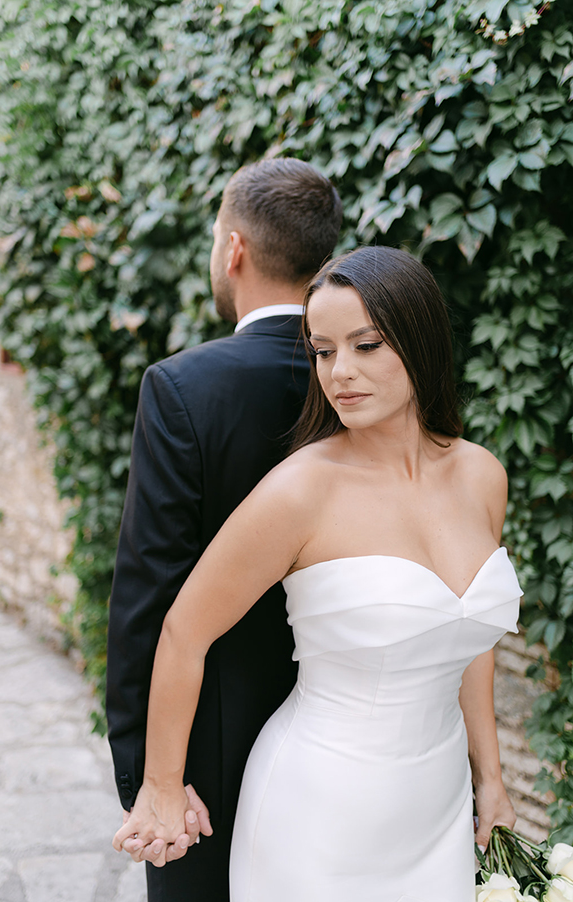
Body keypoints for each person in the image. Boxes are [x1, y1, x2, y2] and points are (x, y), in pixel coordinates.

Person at [113, 245, 521, 902]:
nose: (340, 373)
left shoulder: (483, 475)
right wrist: (160, 786)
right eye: (323, 350)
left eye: (366, 345)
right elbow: (183, 632)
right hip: (317, 812)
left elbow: (466, 640)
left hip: (436, 808)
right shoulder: (301, 490)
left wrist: (491, 778)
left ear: (420, 341)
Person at [106, 157, 343, 901]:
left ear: (233, 248)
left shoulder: (183, 389)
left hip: (210, 755)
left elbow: (149, 594)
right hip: (353, 739)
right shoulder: (374, 379)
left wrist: (150, 776)